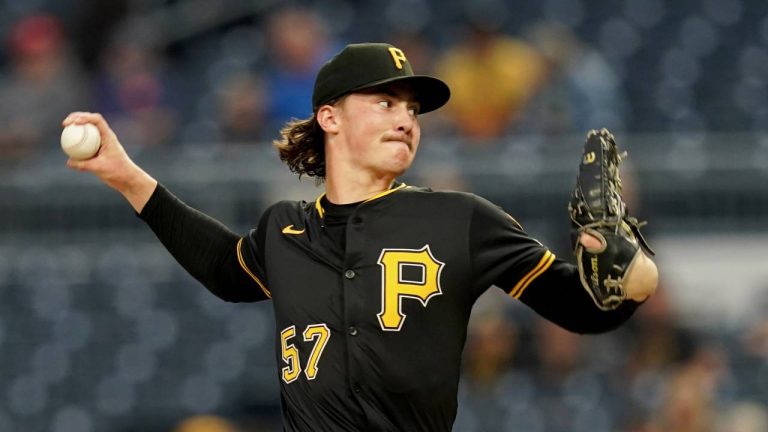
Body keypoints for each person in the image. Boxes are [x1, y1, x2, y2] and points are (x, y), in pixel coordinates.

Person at [63, 42, 658, 431]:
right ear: (330, 117)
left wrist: (633, 276)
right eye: (385, 102)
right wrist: (125, 175)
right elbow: (223, 267)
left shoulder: (460, 219)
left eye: (412, 110)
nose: (405, 119)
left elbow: (583, 308)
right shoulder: (284, 230)